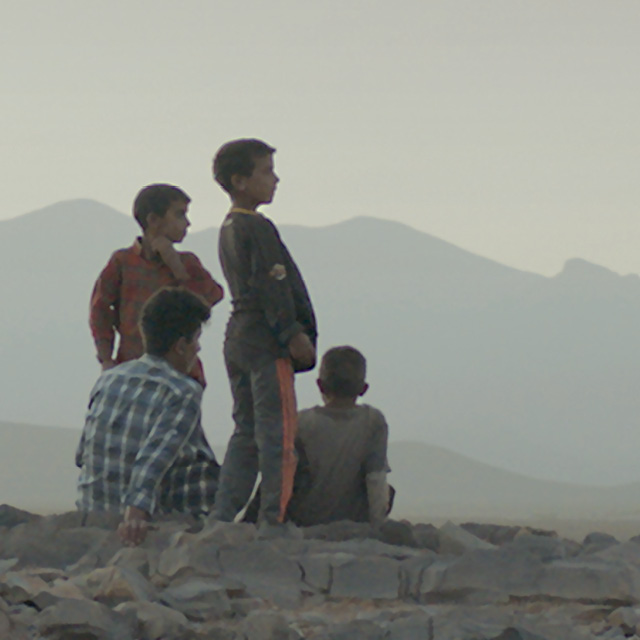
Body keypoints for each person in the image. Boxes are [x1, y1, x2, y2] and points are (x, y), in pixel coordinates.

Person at [211, 138, 317, 529]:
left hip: (237, 337)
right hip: (266, 340)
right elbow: (273, 284)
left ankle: (220, 519)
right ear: (240, 181)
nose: (275, 179)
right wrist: (291, 332)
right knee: (278, 438)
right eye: (267, 171)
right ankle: (273, 521)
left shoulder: (226, 228)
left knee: (246, 432)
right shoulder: (257, 226)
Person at [76, 287, 220, 546]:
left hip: (92, 509)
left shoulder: (108, 379)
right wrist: (135, 512)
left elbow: (81, 454)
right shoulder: (182, 391)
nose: (198, 348)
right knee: (201, 461)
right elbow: (155, 457)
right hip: (135, 520)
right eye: (196, 340)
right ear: (180, 346)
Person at [89, 183, 223, 386]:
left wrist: (175, 266)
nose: (187, 223)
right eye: (180, 215)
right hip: (131, 369)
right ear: (153, 220)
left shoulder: (187, 263)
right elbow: (100, 310)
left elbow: (211, 297)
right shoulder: (123, 262)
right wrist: (106, 359)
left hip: (181, 373)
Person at [286, 346, 391, 527]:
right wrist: (379, 526)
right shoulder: (373, 421)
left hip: (305, 520)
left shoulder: (300, 422)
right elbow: (376, 478)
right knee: (389, 491)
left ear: (320, 384)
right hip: (354, 521)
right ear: (363, 389)